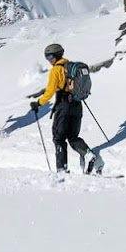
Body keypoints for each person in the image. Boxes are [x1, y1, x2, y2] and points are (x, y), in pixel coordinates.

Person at [27, 43, 104, 174]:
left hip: (64, 106)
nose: (49, 60)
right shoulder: (71, 66)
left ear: (56, 56)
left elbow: (50, 92)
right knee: (73, 137)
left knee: (59, 138)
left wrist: (38, 103)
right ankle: (89, 155)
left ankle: (62, 170)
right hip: (77, 105)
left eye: (50, 57)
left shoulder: (56, 70)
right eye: (47, 58)